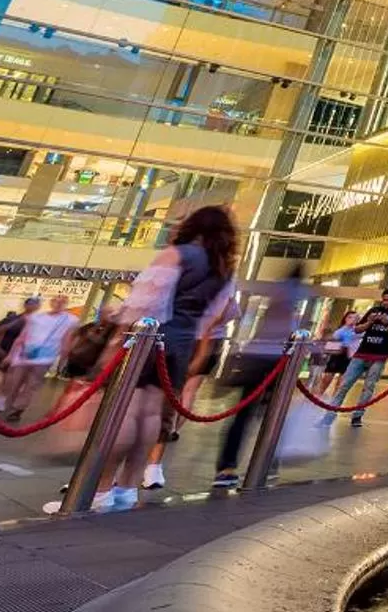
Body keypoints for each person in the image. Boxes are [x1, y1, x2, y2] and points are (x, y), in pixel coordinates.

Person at [93, 204, 236, 511]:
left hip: (150, 337)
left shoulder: (177, 254)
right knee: (152, 414)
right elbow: (213, 316)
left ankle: (102, 489)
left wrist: (117, 334)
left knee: (129, 410)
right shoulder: (223, 269)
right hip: (182, 343)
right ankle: (127, 488)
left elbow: (143, 303)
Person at [212, 272, 305, 489]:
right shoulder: (291, 297)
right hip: (275, 360)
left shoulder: (276, 294)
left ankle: (228, 468)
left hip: (257, 357)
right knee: (271, 414)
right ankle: (267, 463)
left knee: (246, 414)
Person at [325, 288, 388, 429]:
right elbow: (357, 329)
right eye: (384, 299)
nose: (385, 302)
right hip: (362, 352)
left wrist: (387, 323)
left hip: (380, 355)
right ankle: (330, 414)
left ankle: (358, 415)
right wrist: (369, 322)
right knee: (345, 384)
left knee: (369, 386)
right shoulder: (373, 310)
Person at [0, 294, 75, 422]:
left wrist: (62, 361)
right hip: (25, 355)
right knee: (14, 382)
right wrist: (11, 355)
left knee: (32, 384)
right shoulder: (36, 317)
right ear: (51, 302)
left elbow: (66, 341)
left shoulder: (71, 320)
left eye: (63, 301)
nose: (59, 303)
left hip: (45, 358)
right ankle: (11, 405)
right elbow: (22, 336)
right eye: (56, 300)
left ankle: (18, 409)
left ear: (66, 304)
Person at [315, 313, 359, 397]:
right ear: (345, 318)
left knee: (343, 377)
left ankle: (336, 397)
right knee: (329, 374)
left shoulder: (358, 330)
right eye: (349, 317)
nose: (352, 319)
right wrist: (347, 326)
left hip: (349, 355)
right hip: (338, 354)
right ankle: (319, 394)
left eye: (355, 317)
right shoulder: (341, 329)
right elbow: (335, 338)